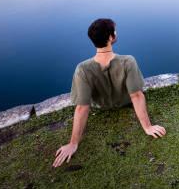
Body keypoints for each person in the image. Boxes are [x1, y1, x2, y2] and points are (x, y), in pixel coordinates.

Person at [53, 18, 166, 168]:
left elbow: (82, 107)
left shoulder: (82, 69)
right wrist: (147, 127)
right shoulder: (128, 61)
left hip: (100, 106)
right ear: (111, 37)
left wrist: (73, 143)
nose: (116, 33)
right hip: (125, 102)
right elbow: (136, 95)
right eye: (114, 31)